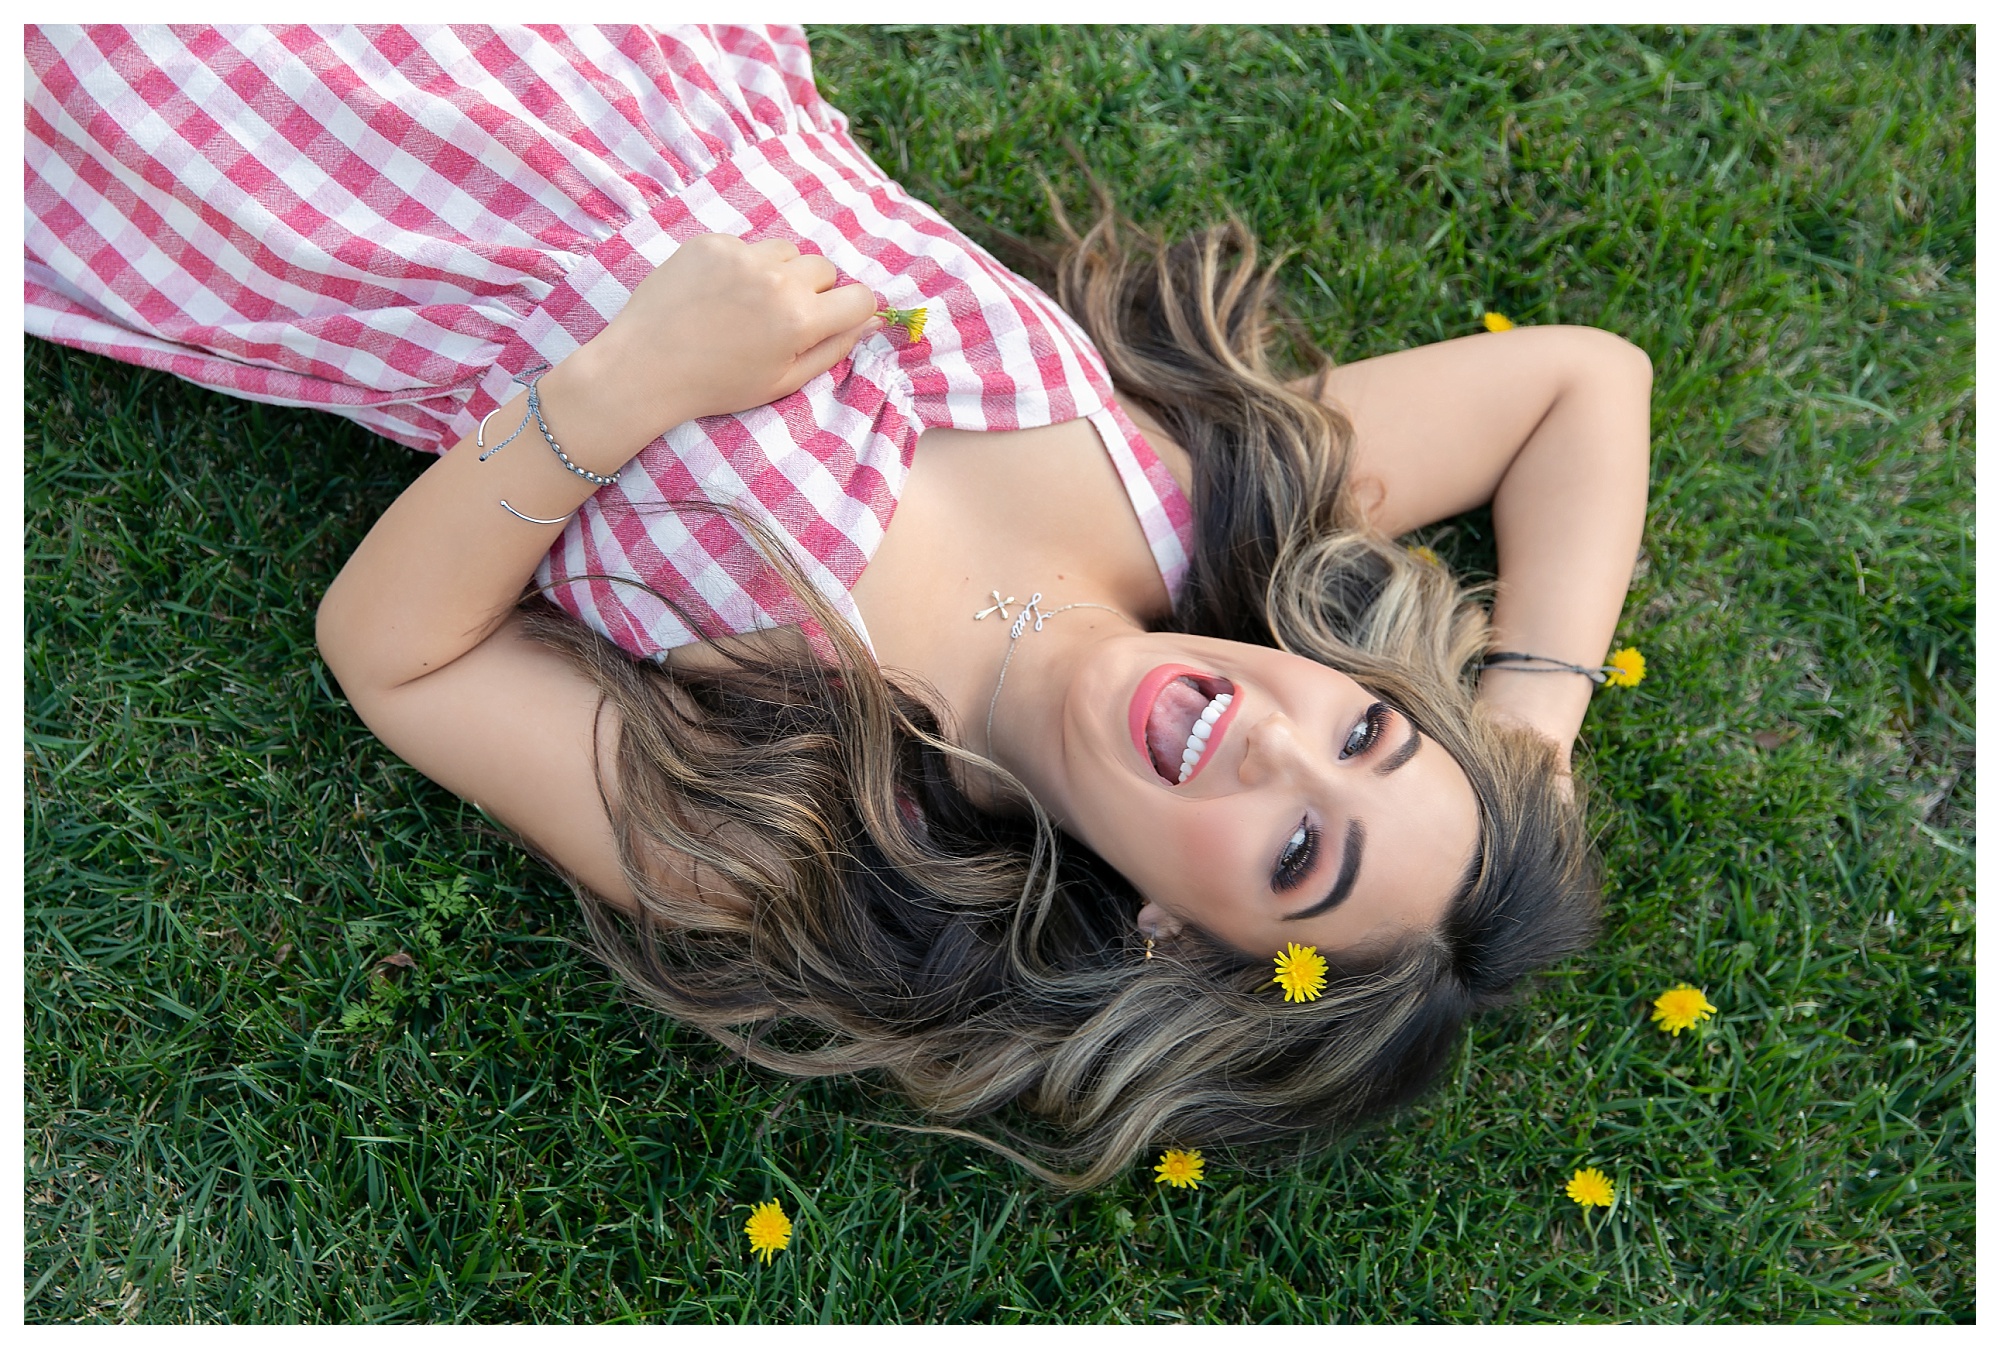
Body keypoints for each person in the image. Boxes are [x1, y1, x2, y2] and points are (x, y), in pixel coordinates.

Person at [26, 24, 1649, 1187]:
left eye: (1300, 857)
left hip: (307, 173)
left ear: (1177, 938)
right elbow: (1583, 385)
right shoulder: (1191, 488)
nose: (1275, 744)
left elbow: (393, 655)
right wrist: (1529, 736)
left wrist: (625, 388)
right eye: (1365, 728)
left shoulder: (818, 828)